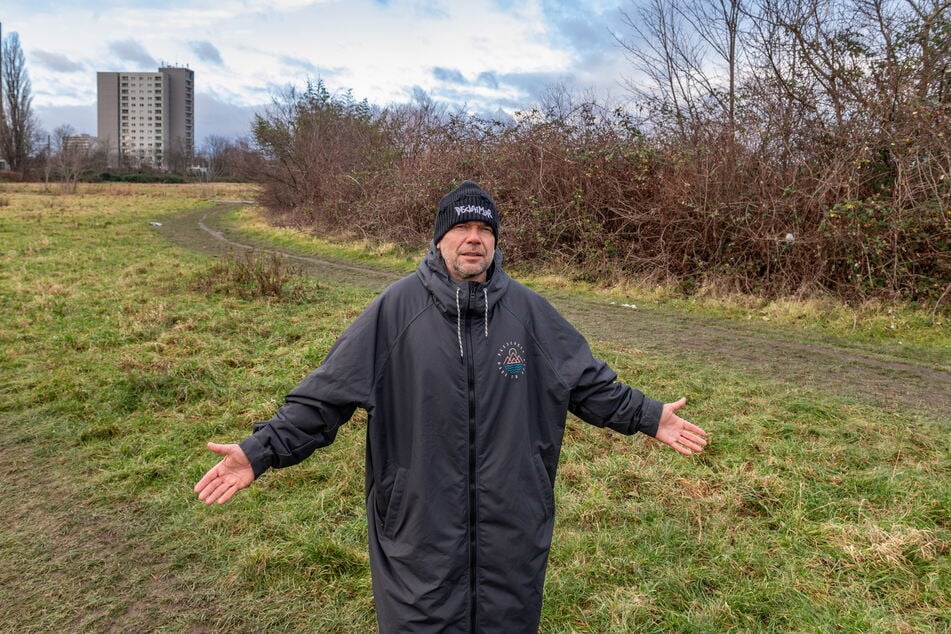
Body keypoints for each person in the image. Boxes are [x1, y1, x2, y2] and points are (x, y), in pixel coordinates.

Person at [195, 180, 708, 633]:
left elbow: (588, 382)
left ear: (495, 242)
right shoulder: (395, 313)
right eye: (461, 228)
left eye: (484, 230)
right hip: (418, 532)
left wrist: (648, 415)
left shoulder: (530, 315)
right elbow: (325, 397)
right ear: (439, 239)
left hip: (511, 530)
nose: (473, 238)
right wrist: (259, 451)